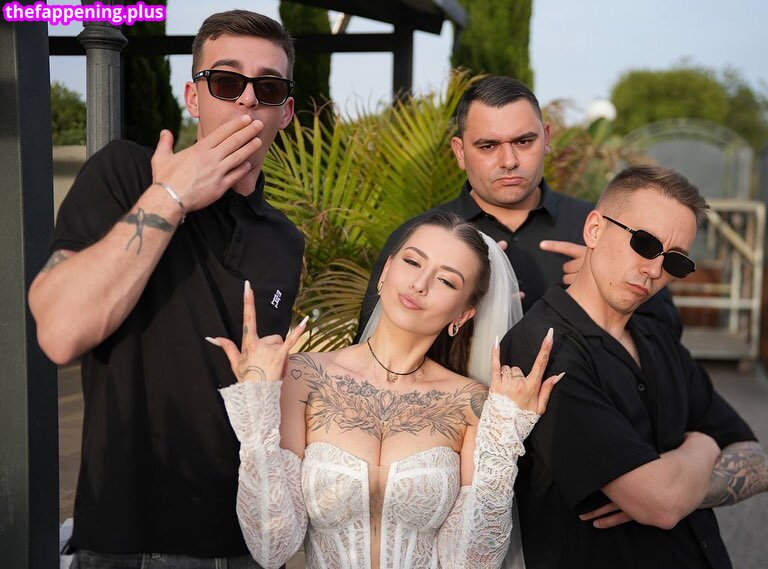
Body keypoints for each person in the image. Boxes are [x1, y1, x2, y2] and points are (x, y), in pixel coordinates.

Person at [28, 10, 303, 567]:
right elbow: (59, 331)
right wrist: (172, 196)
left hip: (247, 543)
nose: (248, 99)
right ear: (193, 97)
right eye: (226, 81)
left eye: (268, 87)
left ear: (286, 112)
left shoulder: (284, 241)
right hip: (130, 542)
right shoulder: (126, 175)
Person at [207, 213, 562, 569]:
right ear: (386, 270)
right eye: (412, 262)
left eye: (446, 280)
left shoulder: (471, 403)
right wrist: (256, 404)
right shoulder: (303, 377)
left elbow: (471, 562)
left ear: (463, 315)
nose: (419, 284)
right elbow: (273, 548)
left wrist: (503, 441)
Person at [501, 166, 768, 569]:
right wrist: (704, 445)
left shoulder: (658, 337)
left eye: (675, 261)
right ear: (594, 229)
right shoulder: (542, 349)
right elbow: (660, 503)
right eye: (644, 243)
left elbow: (759, 464)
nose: (654, 269)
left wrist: (684, 489)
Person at [358, 75, 682, 339]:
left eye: (523, 142)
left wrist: (612, 292)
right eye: (488, 146)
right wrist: (456, 312)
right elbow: (374, 347)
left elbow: (667, 339)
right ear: (460, 152)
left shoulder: (610, 230)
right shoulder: (419, 239)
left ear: (546, 138)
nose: (509, 161)